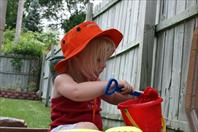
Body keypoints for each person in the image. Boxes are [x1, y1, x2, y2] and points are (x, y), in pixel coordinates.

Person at [50, 21, 136, 132]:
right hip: (62, 129)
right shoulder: (62, 79)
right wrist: (109, 84)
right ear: (77, 57)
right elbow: (77, 92)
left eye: (105, 60)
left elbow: (114, 98)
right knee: (88, 128)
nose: (104, 65)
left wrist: (131, 95)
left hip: (90, 130)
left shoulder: (95, 83)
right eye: (98, 60)